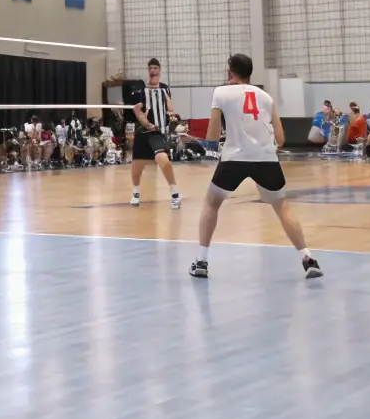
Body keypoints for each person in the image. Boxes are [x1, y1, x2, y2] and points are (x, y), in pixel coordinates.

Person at [189, 54, 321, 279]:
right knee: (283, 208)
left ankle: (201, 261)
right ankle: (308, 259)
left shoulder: (221, 92)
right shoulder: (266, 97)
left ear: (230, 72)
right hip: (265, 159)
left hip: (234, 159)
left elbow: (212, 135)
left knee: (212, 204)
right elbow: (280, 139)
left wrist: (194, 139)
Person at [130, 59, 180, 208]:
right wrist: (147, 123)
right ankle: (136, 193)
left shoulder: (164, 88)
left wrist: (173, 116)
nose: (153, 70)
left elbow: (170, 108)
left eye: (155, 68)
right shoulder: (141, 90)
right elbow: (138, 112)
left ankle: (175, 195)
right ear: (148, 71)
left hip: (157, 133)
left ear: (159, 70)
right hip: (143, 132)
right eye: (150, 68)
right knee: (137, 167)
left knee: (163, 159)